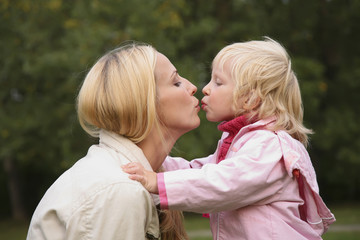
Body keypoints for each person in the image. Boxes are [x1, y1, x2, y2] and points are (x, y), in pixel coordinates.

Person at [123, 37, 336, 239]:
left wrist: (156, 182)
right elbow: (200, 172)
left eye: (218, 82)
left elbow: (222, 183)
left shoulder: (270, 147)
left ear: (251, 98)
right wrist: (153, 162)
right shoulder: (239, 141)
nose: (205, 88)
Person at [26, 42, 201, 240]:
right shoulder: (119, 191)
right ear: (144, 104)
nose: (193, 87)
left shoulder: (131, 180)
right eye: (176, 82)